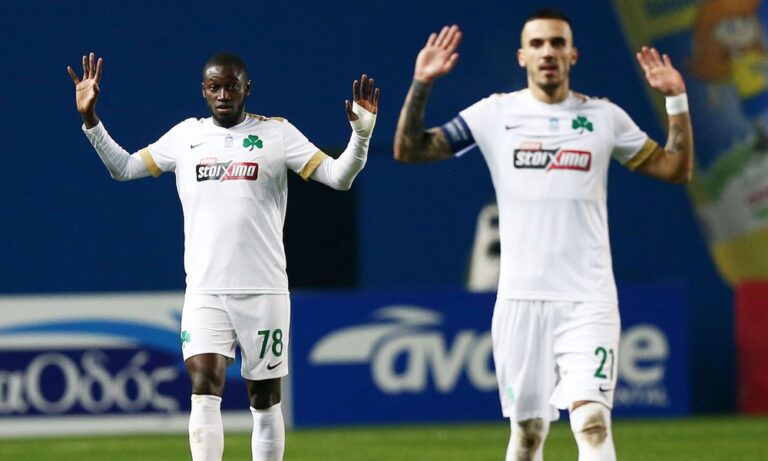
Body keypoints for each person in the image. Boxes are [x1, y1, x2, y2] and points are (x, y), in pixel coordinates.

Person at [393, 9, 692, 461]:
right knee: (529, 433)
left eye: (557, 43)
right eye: (537, 44)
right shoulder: (495, 113)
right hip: (521, 301)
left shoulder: (604, 117)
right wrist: (422, 83)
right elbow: (409, 150)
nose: (547, 52)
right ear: (522, 56)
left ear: (573, 55)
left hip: (588, 299)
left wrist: (676, 102)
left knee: (592, 423)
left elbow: (675, 169)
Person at [68, 51, 379, 461]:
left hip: (264, 290)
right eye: (214, 87)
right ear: (203, 90)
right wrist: (91, 119)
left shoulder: (277, 134)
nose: (223, 94)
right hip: (205, 290)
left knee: (264, 398)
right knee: (204, 387)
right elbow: (123, 167)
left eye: (232, 86)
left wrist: (361, 136)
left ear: (247, 88)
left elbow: (339, 178)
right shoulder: (185, 137)